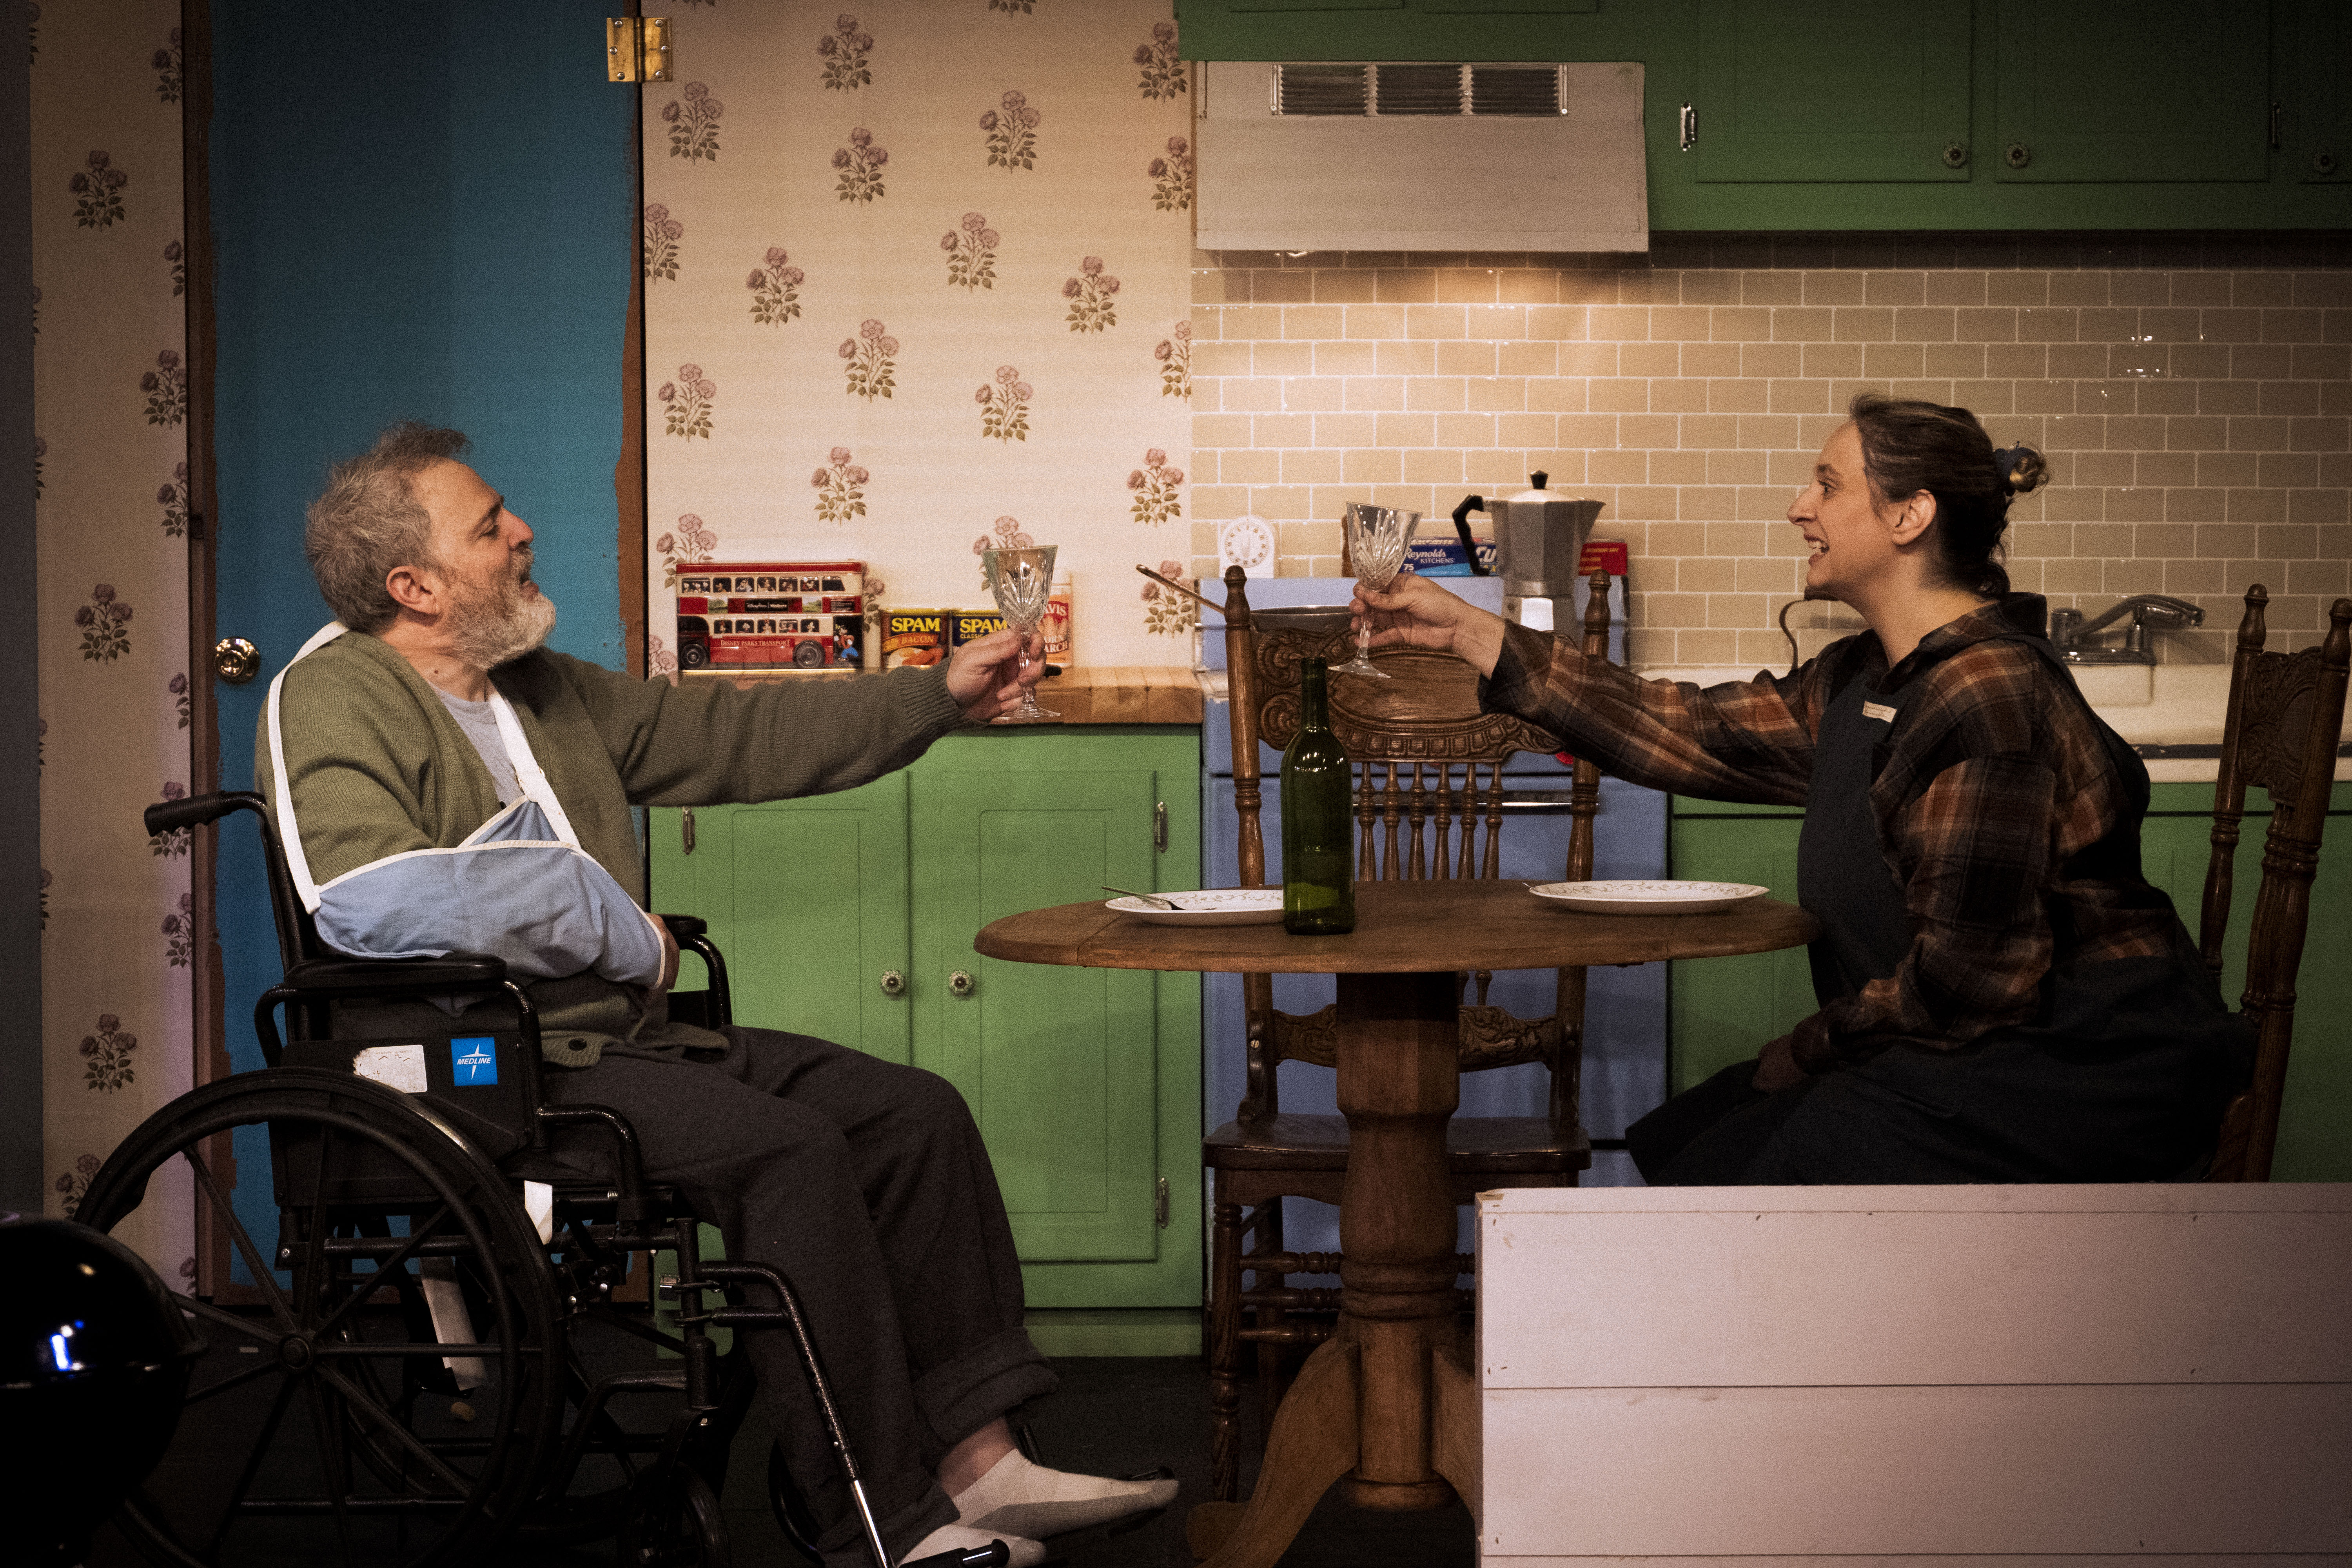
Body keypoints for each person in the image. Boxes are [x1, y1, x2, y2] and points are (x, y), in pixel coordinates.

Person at [261, 422, 1176, 1568]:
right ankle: (877, 1520)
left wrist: (935, 692)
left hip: (613, 1042)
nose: (524, 531)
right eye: (491, 525)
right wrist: (601, 920)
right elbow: (367, 895)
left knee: (912, 1112)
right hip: (484, 1064)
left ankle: (978, 1465)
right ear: (414, 583)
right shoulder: (333, 692)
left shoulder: (531, 691)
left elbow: (732, 730)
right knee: (785, 1149)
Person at [1353, 393, 2251, 1185]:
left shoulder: (1987, 693)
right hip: (1962, 1055)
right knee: (1693, 1136)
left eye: (1827, 484)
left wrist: (1809, 1047)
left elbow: (1971, 983)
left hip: (2076, 1070)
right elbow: (1688, 728)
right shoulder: (1872, 679)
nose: (1799, 508)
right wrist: (1476, 632)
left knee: (1740, 1168)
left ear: (1911, 516)